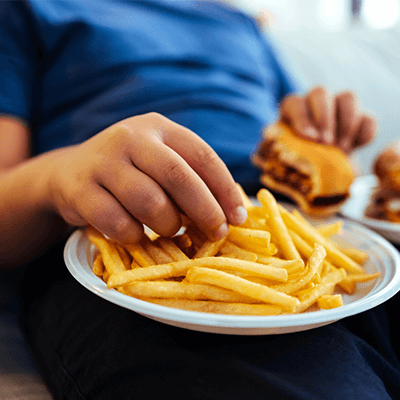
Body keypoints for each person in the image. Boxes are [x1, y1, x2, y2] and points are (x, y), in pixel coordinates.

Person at [0, 1, 397, 399]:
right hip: (131, 240)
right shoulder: (28, 9)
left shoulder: (240, 22)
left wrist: (322, 137)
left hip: (298, 237)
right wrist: (57, 176)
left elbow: (295, 136)